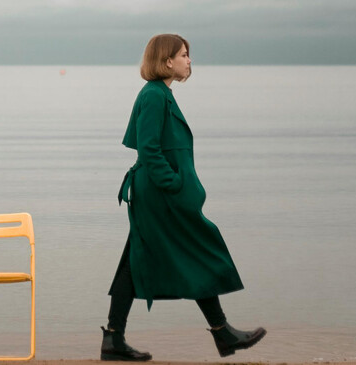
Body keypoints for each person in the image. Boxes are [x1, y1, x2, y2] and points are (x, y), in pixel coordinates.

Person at [101, 34, 266, 361]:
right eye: (184, 55)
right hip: (159, 194)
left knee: (142, 260)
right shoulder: (153, 96)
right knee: (196, 250)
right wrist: (174, 184)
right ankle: (222, 333)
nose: (189, 60)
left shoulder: (161, 94)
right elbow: (148, 148)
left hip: (159, 193)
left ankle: (115, 339)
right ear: (167, 61)